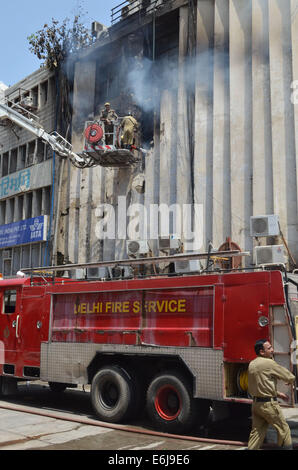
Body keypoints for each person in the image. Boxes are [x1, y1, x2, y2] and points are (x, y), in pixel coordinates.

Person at [247, 339, 295, 450]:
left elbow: (259, 385)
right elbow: (288, 376)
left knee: (257, 433)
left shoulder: (252, 364)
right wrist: (291, 379)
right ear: (261, 352)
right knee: (284, 430)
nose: (272, 350)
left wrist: (278, 394)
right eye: (269, 348)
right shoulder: (269, 363)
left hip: (256, 405)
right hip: (269, 405)